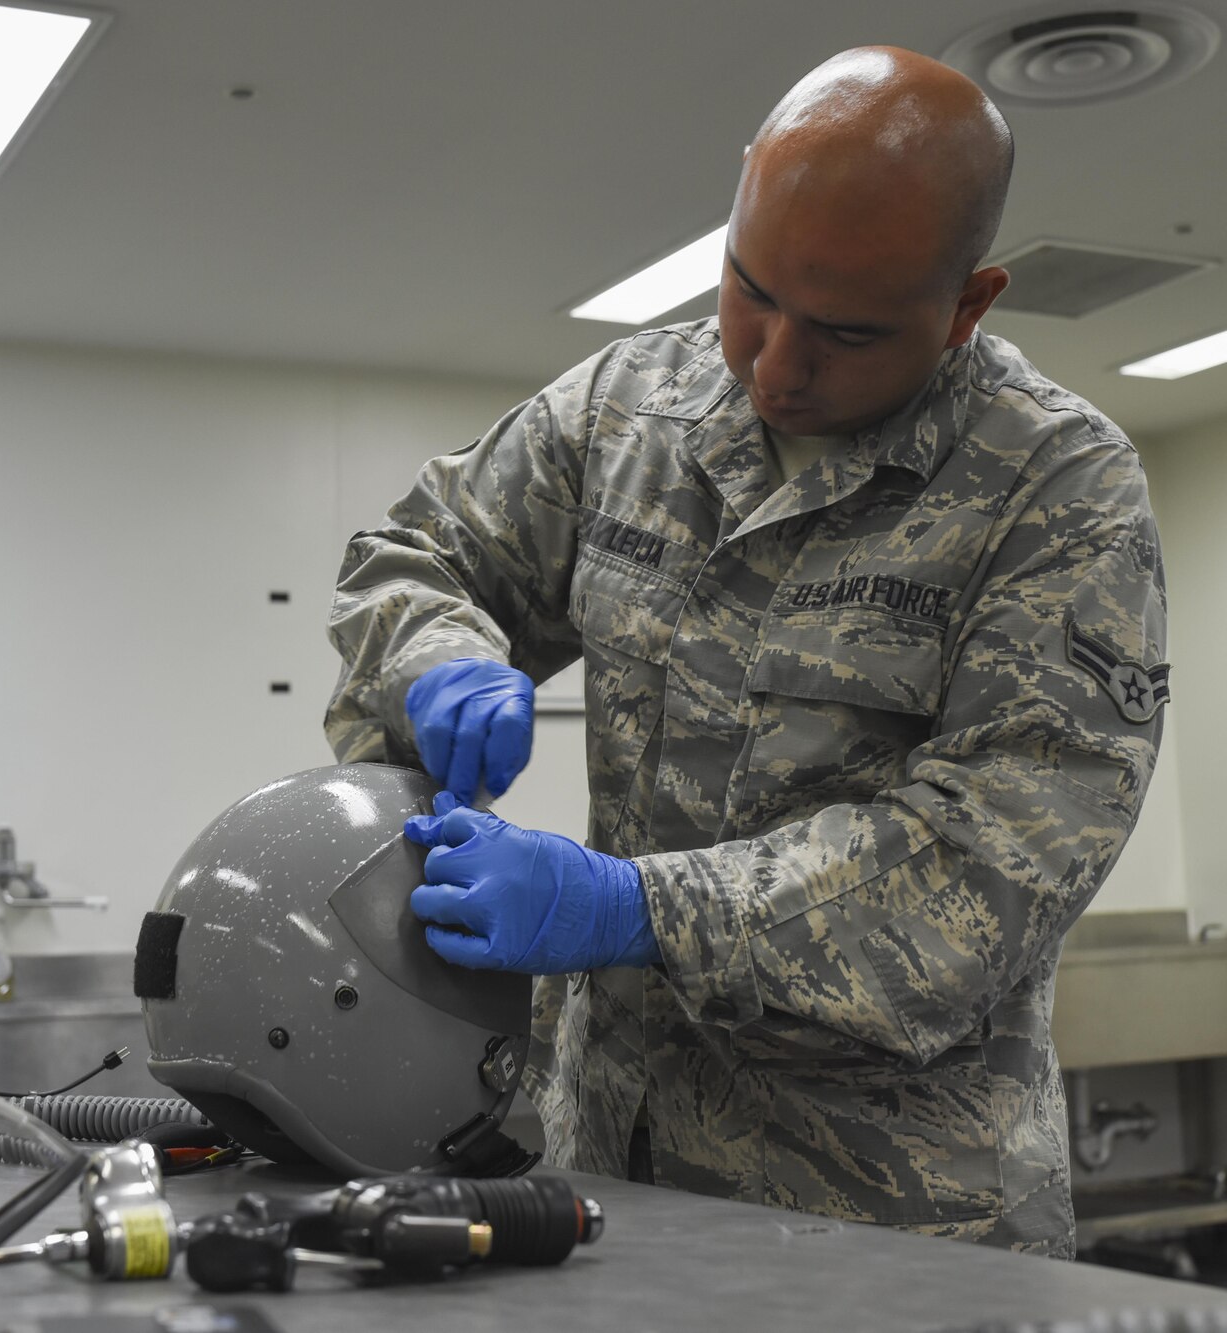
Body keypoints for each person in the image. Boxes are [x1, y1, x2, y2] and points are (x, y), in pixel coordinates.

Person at [323, 45, 1168, 1258]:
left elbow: (986, 865)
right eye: (748, 290)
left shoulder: (1055, 489)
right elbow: (412, 554)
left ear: (968, 304)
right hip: (610, 1170)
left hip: (889, 1221)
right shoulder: (627, 410)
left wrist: (632, 907)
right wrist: (437, 657)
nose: (773, 367)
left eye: (843, 331)